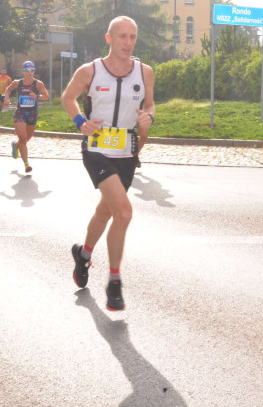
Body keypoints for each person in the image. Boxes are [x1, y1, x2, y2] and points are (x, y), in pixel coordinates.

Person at [61, 16, 155, 312]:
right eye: (122, 36)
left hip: (127, 151)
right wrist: (80, 122)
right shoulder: (90, 71)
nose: (128, 42)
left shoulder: (145, 72)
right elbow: (67, 97)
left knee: (106, 211)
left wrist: (148, 116)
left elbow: (150, 105)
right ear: (109, 39)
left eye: (133, 37)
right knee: (124, 213)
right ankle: (114, 282)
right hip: (97, 150)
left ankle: (84, 254)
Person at [4, 61, 49, 175]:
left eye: (32, 70)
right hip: (20, 113)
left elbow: (47, 96)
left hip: (32, 114)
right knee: (23, 138)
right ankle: (26, 165)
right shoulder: (17, 83)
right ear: (23, 71)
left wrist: (37, 96)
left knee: (26, 139)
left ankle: (16, 145)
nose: (30, 73)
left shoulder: (38, 84)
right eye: (27, 70)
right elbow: (8, 89)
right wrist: (6, 99)